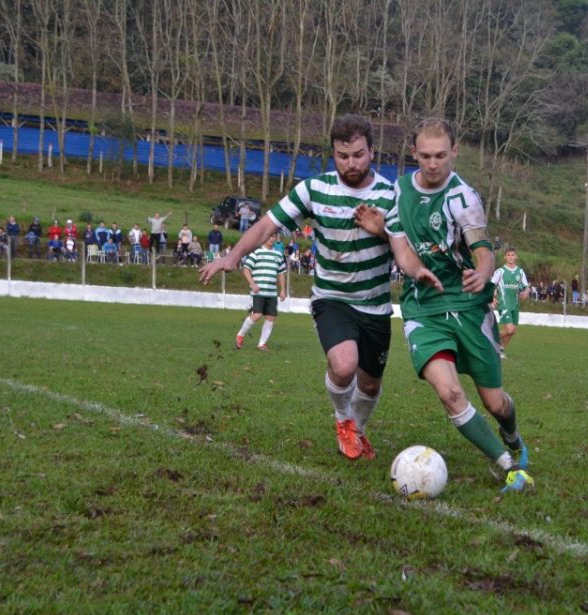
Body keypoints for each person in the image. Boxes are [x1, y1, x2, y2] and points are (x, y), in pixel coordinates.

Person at [200, 114, 419, 460]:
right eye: (343, 155)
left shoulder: (392, 195)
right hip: (331, 299)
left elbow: (409, 251)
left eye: (358, 154)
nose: (351, 163)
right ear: (333, 153)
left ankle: (358, 430)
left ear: (372, 152)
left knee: (370, 383)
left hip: (375, 305)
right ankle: (343, 420)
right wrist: (233, 255)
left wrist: (381, 230)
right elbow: (267, 225)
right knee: (344, 365)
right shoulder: (313, 190)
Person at [381, 117, 532, 494]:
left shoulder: (464, 197)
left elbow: (483, 250)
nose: (433, 164)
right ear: (413, 153)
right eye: (426, 156)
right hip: (424, 308)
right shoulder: (398, 192)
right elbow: (401, 250)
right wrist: (417, 271)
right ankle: (508, 465)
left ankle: (512, 436)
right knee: (449, 393)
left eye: (441, 156)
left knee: (495, 403)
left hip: (469, 307)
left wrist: (482, 273)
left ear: (455, 152)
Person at [232, 234, 286, 351]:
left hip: (272, 292)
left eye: (273, 237)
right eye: (269, 236)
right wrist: (252, 283)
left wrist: (282, 289)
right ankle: (240, 335)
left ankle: (262, 344)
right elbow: (246, 270)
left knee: (271, 317)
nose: (271, 239)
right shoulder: (256, 252)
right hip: (258, 291)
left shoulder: (278, 255)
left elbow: (281, 273)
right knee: (257, 315)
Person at [491, 247, 531, 357]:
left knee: (512, 331)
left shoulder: (520, 272)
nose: (510, 257)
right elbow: (491, 285)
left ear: (516, 257)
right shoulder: (500, 271)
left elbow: (526, 286)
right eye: (508, 255)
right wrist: (492, 297)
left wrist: (526, 292)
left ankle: (501, 350)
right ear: (505, 257)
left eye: (512, 255)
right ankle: (489, 339)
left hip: (515, 304)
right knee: (509, 329)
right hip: (503, 303)